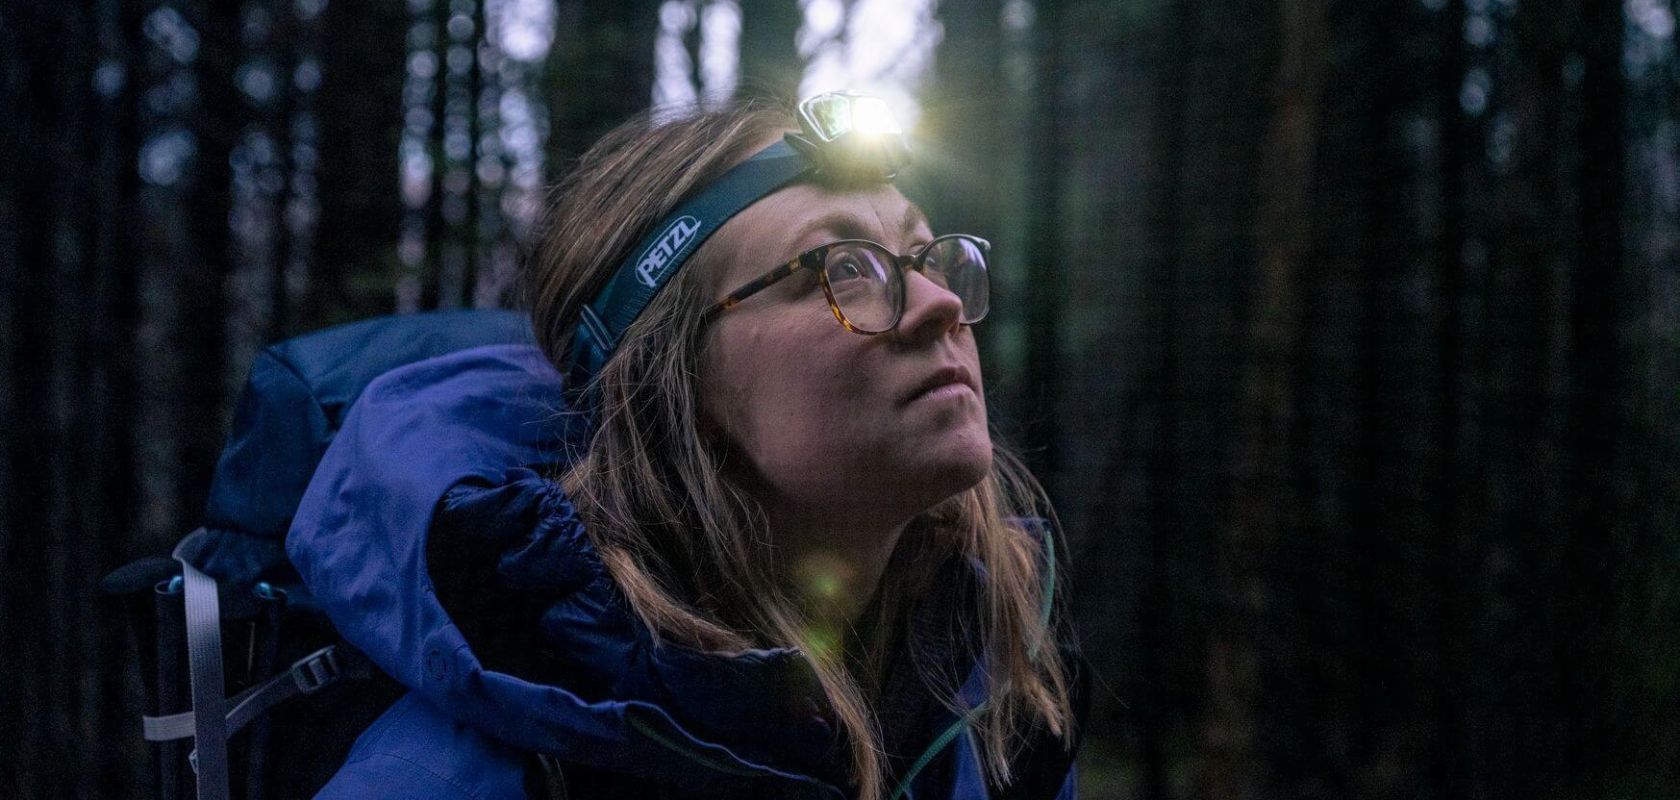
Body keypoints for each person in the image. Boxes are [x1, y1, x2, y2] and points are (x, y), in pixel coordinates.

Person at [288, 93, 1086, 799]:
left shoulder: (997, 704)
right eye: (841, 269)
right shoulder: (454, 780)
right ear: (670, 390)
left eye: (927, 257)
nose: (941, 304)